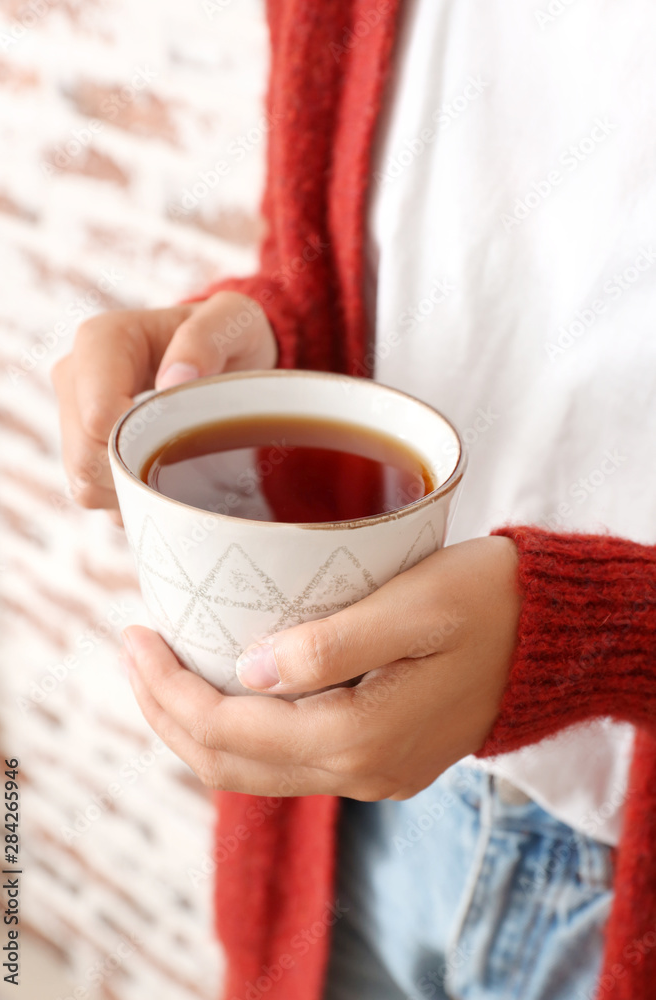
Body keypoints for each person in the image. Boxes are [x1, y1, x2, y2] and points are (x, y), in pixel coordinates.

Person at [52, 1, 656, 998]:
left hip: (611, 886)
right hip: (345, 816)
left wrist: (593, 633)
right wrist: (247, 344)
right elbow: (338, 260)